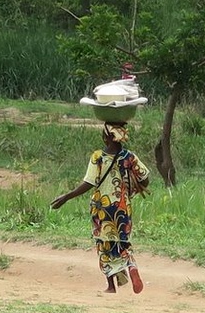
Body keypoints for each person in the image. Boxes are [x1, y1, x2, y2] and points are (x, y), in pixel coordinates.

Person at [51, 122, 150, 294]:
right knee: (123, 243)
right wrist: (131, 186)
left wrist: (66, 197)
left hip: (101, 208)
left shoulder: (98, 157)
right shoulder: (129, 157)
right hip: (122, 208)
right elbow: (145, 178)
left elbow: (88, 183)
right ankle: (131, 266)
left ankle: (111, 286)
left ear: (108, 138)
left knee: (104, 244)